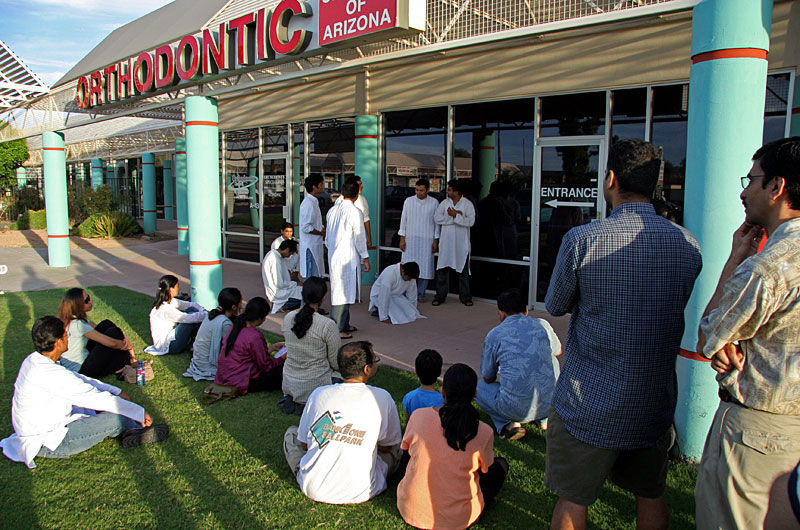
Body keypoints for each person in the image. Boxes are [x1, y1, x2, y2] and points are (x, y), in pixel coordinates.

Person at [544, 138, 702, 530]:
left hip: (588, 403)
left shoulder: (583, 240)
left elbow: (556, 304)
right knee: (650, 493)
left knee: (573, 499)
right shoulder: (687, 245)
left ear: (610, 178)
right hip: (653, 402)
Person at [694, 137, 800, 530]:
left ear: (777, 187)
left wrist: (737, 256)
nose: (743, 190)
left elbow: (710, 336)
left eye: (752, 179)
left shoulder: (766, 268)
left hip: (757, 436)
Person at [0, 316, 169, 469]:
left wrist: (115, 390)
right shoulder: (50, 374)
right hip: (50, 442)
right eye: (66, 335)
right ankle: (130, 426)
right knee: (114, 415)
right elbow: (92, 397)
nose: (69, 338)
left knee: (108, 405)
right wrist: (139, 411)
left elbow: (81, 379)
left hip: (43, 429)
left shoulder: (34, 360)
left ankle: (131, 430)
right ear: (58, 342)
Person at [283, 341, 402, 504]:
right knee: (397, 448)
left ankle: (307, 470)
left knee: (292, 434)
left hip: (314, 487)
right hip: (363, 489)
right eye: (375, 360)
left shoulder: (319, 393)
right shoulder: (382, 397)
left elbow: (304, 444)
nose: (376, 363)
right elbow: (387, 446)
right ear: (366, 369)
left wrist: (335, 436)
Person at [397, 363, 508, 529]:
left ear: (443, 391)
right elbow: (486, 472)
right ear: (474, 395)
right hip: (459, 519)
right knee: (500, 467)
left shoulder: (418, 416)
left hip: (410, 509)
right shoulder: (483, 431)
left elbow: (406, 452)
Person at [475, 288, 561, 440]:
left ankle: (507, 425)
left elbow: (487, 377)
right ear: (526, 310)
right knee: (550, 361)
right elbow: (558, 351)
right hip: (552, 404)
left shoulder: (495, 334)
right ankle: (544, 420)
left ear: (501, 313)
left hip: (516, 409)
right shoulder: (543, 325)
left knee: (477, 387)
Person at [281, 277, 342, 410]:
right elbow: (336, 362)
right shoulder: (327, 324)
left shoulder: (288, 318)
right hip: (317, 385)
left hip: (290, 383)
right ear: (323, 298)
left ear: (302, 294)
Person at [56, 287, 135, 378]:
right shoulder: (78, 324)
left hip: (82, 359)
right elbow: (111, 343)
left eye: (88, 297)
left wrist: (123, 338)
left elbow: (98, 327)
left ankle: (123, 362)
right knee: (112, 333)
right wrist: (127, 346)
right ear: (77, 305)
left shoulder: (72, 318)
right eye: (86, 300)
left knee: (106, 324)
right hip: (81, 370)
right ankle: (124, 363)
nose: (90, 301)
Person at [325, 178, 370, 339]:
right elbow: (359, 237)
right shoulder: (354, 212)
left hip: (334, 256)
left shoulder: (332, 211)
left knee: (344, 291)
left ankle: (344, 324)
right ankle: (336, 328)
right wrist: (365, 258)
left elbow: (328, 237)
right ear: (357, 194)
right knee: (342, 293)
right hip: (347, 257)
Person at [215, 297, 286, 395]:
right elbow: (267, 366)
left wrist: (272, 347)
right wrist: (283, 358)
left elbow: (247, 353)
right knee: (284, 370)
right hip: (240, 381)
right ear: (261, 318)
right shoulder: (254, 336)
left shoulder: (235, 327)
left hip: (225, 376)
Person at [183, 287, 242, 381]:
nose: (241, 305)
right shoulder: (225, 323)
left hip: (198, 360)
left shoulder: (213, 315)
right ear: (234, 307)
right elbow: (233, 346)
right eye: (240, 302)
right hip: (207, 365)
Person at [433, 179, 476, 306]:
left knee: (463, 272)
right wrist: (453, 216)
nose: (447, 191)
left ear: (457, 191)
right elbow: (437, 218)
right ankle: (440, 297)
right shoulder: (444, 203)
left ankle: (466, 297)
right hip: (446, 243)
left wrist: (456, 216)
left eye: (450, 189)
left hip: (461, 244)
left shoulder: (467, 204)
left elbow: (471, 222)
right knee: (442, 271)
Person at [398, 178, 440, 302]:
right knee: (408, 266)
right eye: (416, 190)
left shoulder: (434, 202)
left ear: (427, 190)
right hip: (410, 239)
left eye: (421, 190)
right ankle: (406, 292)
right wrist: (402, 239)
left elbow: (436, 223)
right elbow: (403, 220)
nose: (418, 192)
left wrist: (436, 240)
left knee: (425, 266)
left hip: (427, 240)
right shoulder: (408, 201)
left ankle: (421, 294)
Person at [146, 274, 206, 355]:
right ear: (171, 290)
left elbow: (191, 305)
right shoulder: (165, 309)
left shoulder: (172, 301)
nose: (179, 289)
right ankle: (194, 345)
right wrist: (207, 314)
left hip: (171, 336)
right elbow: (189, 318)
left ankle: (193, 345)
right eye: (177, 286)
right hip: (169, 346)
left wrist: (202, 310)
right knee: (191, 318)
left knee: (192, 310)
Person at [262, 239, 303, 314]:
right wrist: (296, 284)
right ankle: (285, 305)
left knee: (301, 289)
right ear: (287, 249)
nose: (289, 256)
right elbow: (279, 284)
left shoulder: (272, 254)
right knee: (305, 292)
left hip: (279, 286)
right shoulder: (275, 259)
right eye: (290, 253)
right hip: (277, 290)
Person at [401, 349, 444, 421]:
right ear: (439, 373)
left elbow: (408, 422)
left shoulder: (409, 397)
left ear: (416, 372)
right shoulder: (442, 400)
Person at [299, 175, 326, 279]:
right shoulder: (308, 203)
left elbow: (315, 222)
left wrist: (322, 228)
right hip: (310, 247)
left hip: (315, 244)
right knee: (310, 277)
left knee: (316, 275)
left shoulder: (314, 202)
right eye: (321, 184)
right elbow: (305, 227)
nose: (323, 186)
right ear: (314, 187)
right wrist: (321, 232)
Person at [335, 175, 372, 248]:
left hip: (357, 236)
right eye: (359, 184)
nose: (362, 186)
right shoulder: (340, 201)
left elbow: (366, 219)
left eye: (361, 184)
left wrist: (369, 238)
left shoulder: (362, 200)